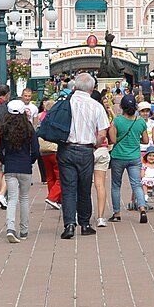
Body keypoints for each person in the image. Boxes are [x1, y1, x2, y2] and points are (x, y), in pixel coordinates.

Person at [58, 73, 110, 239]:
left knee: (68, 188)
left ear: (74, 87)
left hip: (66, 148)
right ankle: (85, 223)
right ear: (93, 88)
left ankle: (69, 224)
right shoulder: (96, 106)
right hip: (86, 149)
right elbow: (102, 133)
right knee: (84, 188)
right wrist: (94, 144)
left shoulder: (65, 103)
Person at [0, 99, 41, 243]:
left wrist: (5, 161)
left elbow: (0, 151)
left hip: (10, 166)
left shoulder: (4, 128)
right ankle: (24, 230)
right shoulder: (28, 128)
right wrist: (31, 161)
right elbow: (35, 149)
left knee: (12, 198)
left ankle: (10, 228)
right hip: (25, 166)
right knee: (24, 198)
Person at [108, 93, 150, 224]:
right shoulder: (140, 121)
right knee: (136, 183)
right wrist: (135, 139)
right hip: (134, 156)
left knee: (116, 185)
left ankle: (117, 213)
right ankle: (142, 208)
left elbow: (113, 140)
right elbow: (145, 140)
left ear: (122, 107)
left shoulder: (117, 121)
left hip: (118, 156)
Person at [92, 87, 114, 228]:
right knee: (100, 184)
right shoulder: (103, 115)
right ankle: (100, 217)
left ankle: (82, 214)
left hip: (87, 150)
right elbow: (112, 138)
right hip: (102, 150)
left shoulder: (84, 113)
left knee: (83, 185)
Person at [38, 98, 62, 210]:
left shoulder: (42, 118)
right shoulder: (56, 119)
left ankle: (55, 198)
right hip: (54, 150)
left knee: (50, 176)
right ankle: (53, 197)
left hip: (44, 151)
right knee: (60, 176)